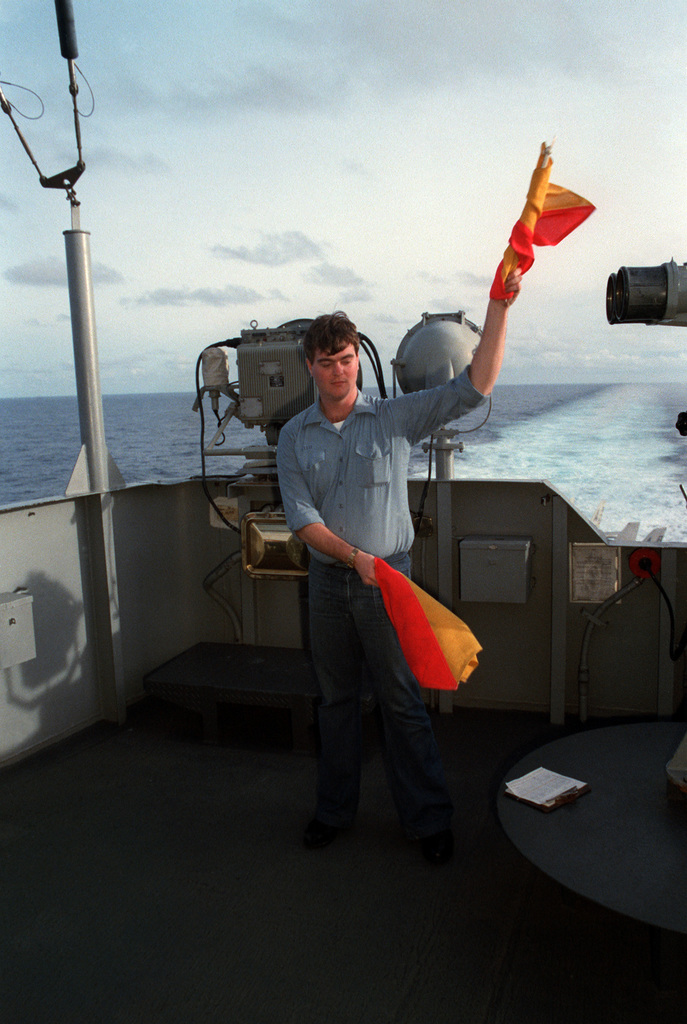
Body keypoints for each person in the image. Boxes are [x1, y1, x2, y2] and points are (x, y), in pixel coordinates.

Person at [276, 270, 522, 864]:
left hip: (388, 581)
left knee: (402, 702)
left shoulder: (393, 419)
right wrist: (354, 558)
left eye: (348, 358)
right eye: (329, 360)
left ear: (358, 360)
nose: (341, 369)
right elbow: (304, 521)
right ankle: (333, 811)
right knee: (335, 702)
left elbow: (475, 387)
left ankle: (428, 819)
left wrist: (498, 308)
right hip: (331, 585)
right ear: (309, 365)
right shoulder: (292, 437)